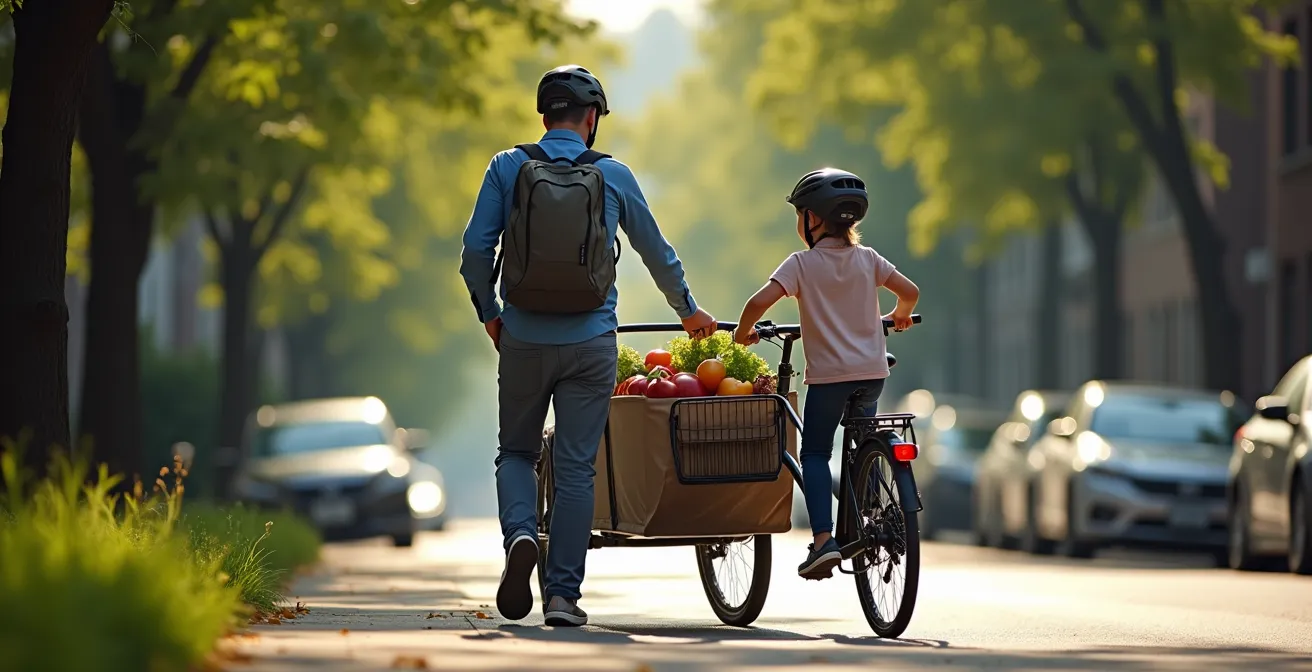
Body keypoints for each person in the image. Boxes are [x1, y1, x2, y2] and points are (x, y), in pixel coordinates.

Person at [459, 64, 716, 626]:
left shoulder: (507, 166)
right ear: (592, 118)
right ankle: (561, 597)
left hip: (523, 337)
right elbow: (656, 251)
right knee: (577, 467)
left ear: (545, 114)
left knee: (518, 453)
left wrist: (491, 314)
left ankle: (522, 535)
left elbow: (475, 252)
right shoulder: (613, 174)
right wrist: (688, 311)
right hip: (592, 341)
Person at [731, 168, 920, 580]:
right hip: (872, 373)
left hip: (829, 380)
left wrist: (743, 335)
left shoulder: (801, 264)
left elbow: (756, 303)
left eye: (800, 214)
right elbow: (910, 292)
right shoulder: (869, 260)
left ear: (813, 219)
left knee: (815, 453)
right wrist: (900, 317)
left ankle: (822, 542)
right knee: (862, 437)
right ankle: (868, 497)